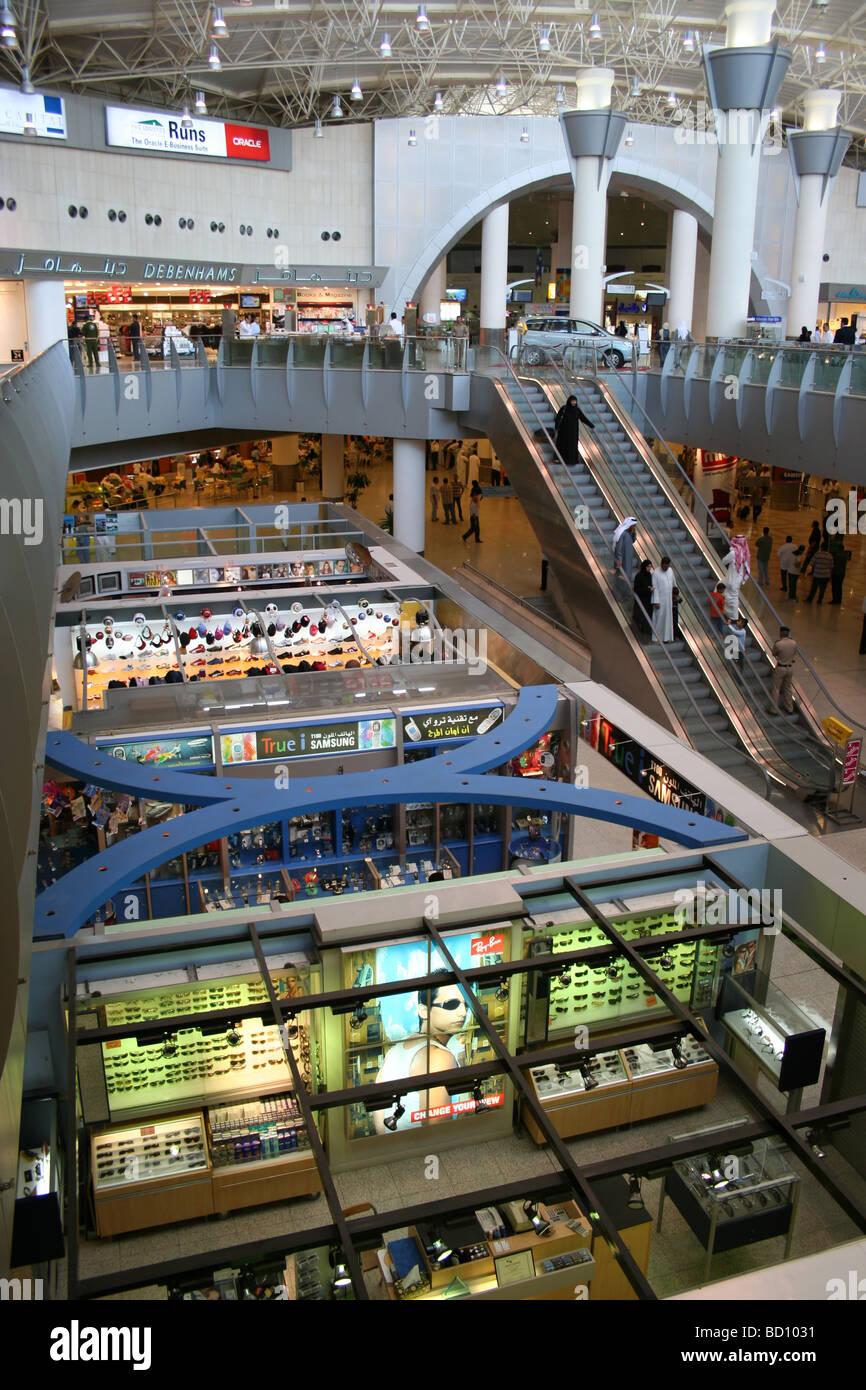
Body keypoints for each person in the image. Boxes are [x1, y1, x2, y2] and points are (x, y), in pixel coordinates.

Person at [372, 971, 470, 1133]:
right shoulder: (439, 1057)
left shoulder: (394, 1053)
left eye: (465, 1004)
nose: (463, 1013)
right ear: (423, 1010)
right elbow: (439, 1132)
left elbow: (379, 1124)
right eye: (451, 1004)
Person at [554, 394, 595, 468]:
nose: (573, 403)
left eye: (575, 401)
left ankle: (571, 461)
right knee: (563, 445)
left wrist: (591, 425)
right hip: (564, 432)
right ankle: (561, 459)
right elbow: (558, 418)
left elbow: (583, 418)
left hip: (573, 432)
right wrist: (557, 427)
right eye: (572, 401)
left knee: (572, 446)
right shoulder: (564, 408)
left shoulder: (577, 410)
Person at [769, 626, 797, 714]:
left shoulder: (778, 644)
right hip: (790, 667)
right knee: (788, 688)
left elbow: (774, 653)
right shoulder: (794, 643)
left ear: (781, 633)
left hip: (781, 668)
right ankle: (789, 708)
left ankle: (774, 709)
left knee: (776, 688)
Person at [651, 555, 676, 642]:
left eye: (667, 565)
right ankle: (657, 637)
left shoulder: (670, 571)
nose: (666, 567)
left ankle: (667, 637)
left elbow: (673, 583)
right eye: (664, 565)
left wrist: (674, 594)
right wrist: (656, 601)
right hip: (660, 599)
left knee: (668, 618)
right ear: (661, 564)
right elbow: (655, 588)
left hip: (668, 599)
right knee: (659, 617)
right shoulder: (656, 573)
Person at [612, 517, 637, 585]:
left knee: (627, 575)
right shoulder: (622, 534)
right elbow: (618, 548)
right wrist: (619, 560)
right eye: (633, 526)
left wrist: (634, 533)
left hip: (628, 557)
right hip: (623, 559)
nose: (634, 527)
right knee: (623, 576)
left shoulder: (630, 533)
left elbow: (633, 540)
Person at [633, 560, 654, 637]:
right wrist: (647, 589)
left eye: (650, 566)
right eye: (648, 566)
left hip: (648, 600)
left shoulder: (649, 575)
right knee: (641, 617)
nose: (649, 568)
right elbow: (636, 589)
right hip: (641, 600)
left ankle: (646, 632)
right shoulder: (639, 576)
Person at [828, 536, 852, 604]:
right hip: (842, 573)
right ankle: (839, 599)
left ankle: (835, 599)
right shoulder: (845, 554)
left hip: (836, 573)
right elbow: (849, 552)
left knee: (835, 587)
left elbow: (834, 564)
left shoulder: (837, 555)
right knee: (839, 587)